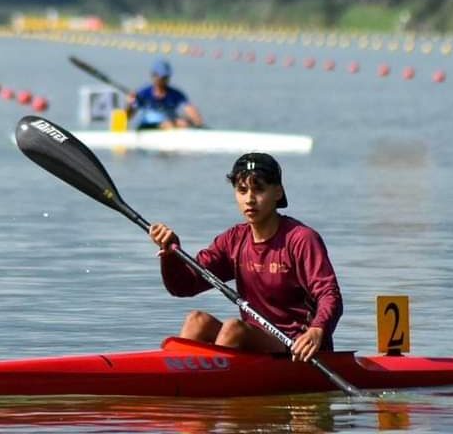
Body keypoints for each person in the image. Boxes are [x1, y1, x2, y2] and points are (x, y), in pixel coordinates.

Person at [148, 153, 342, 363]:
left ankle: (208, 387)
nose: (249, 199)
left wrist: (317, 330)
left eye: (258, 189)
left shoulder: (301, 239)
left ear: (278, 192)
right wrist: (170, 256)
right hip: (254, 340)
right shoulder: (233, 240)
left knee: (233, 329)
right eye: (242, 190)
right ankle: (180, 381)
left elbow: (329, 295)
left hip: (297, 347)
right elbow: (183, 286)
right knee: (196, 321)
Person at [127, 58, 204, 129]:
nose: (165, 80)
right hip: (147, 127)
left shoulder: (176, 94)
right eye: (162, 77)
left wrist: (197, 120)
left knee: (184, 122)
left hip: (169, 126)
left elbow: (189, 109)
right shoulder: (143, 94)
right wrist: (130, 104)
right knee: (169, 124)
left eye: (167, 77)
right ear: (154, 76)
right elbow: (128, 116)